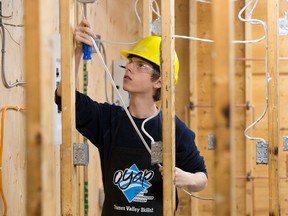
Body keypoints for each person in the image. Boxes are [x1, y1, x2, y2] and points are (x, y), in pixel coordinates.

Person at [55, 19, 207, 215]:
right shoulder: (108, 120)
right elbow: (64, 99)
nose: (129, 67)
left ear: (160, 81)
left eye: (141, 65)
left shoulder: (174, 129)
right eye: (130, 62)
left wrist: (187, 178)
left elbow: (201, 179)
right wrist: (76, 52)